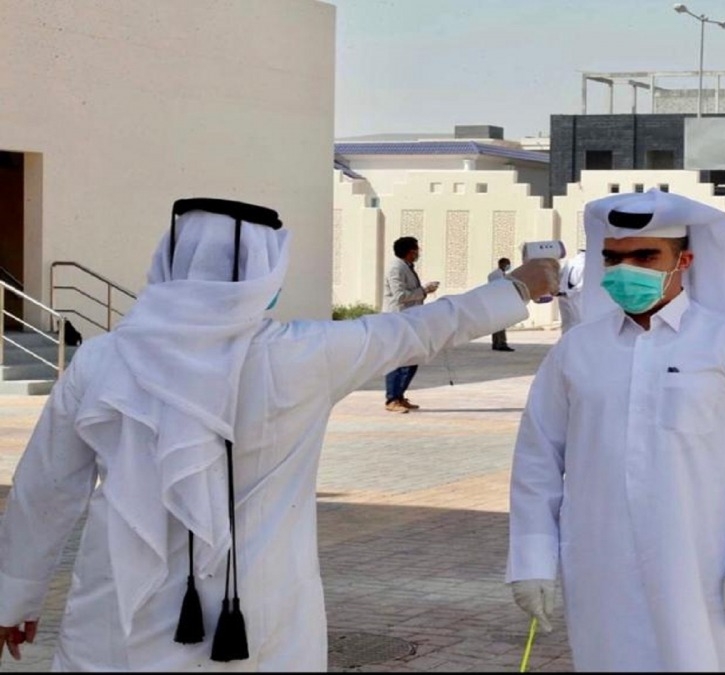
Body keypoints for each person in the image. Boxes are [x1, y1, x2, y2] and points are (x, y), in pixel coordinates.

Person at [0, 198, 559, 670]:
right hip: (255, 618)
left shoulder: (101, 360)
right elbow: (422, 329)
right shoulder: (306, 354)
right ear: (266, 273)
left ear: (168, 263)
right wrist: (518, 287)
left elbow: (44, 492)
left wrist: (15, 596)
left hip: (117, 612)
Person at [506, 189, 725, 672]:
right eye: (613, 258)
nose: (626, 270)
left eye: (645, 256)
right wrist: (532, 561)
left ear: (684, 260)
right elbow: (538, 461)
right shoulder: (577, 350)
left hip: (709, 567)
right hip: (603, 566)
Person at [383, 236, 439, 412]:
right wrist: (424, 290)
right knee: (397, 360)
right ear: (410, 251)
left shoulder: (406, 267)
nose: (418, 253)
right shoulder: (396, 268)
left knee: (412, 358)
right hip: (398, 320)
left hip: (410, 319)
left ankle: (399, 396)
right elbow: (400, 296)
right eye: (416, 250)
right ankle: (392, 399)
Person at [556, 248, 587, 334]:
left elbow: (560, 277)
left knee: (568, 324)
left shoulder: (570, 261)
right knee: (577, 322)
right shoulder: (585, 263)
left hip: (566, 295)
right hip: (575, 295)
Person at [488, 257, 515, 351]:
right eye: (507, 264)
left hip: (497, 300)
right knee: (501, 323)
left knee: (497, 323)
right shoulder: (496, 275)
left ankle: (496, 343)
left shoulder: (500, 275)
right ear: (501, 264)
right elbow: (501, 286)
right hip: (498, 301)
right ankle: (502, 343)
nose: (508, 266)